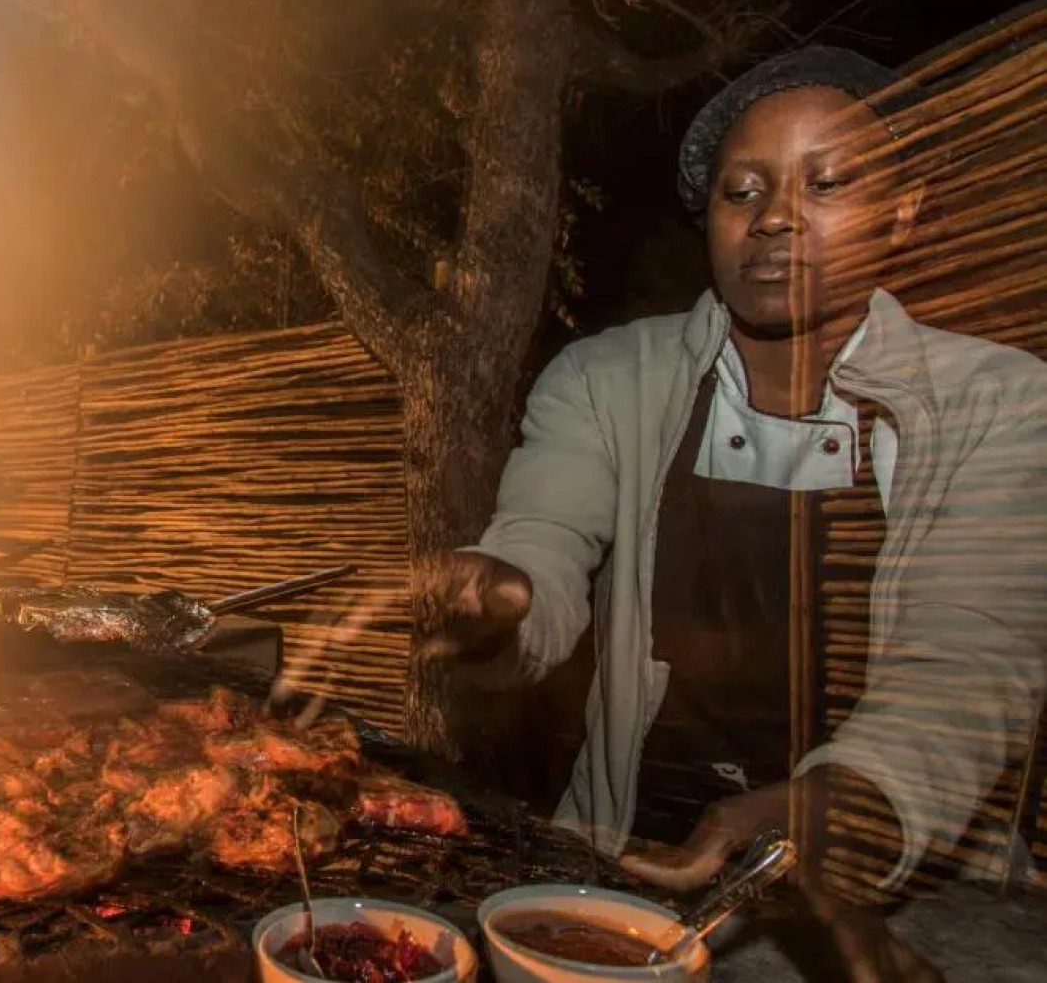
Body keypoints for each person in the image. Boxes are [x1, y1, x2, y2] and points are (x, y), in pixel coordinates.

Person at [431, 47, 1047, 925]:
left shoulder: (1004, 401)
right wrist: (500, 595)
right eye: (742, 191)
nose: (775, 220)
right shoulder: (608, 380)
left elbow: (969, 659)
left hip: (906, 900)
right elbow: (545, 539)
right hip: (628, 858)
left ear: (902, 214)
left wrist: (841, 800)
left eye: (827, 183)